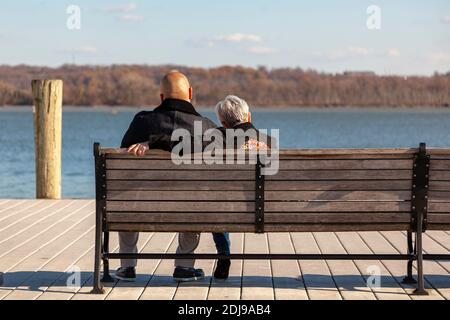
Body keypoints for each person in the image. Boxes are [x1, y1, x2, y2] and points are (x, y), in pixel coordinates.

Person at [117, 71, 231, 282]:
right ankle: (184, 267)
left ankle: (127, 265)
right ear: (189, 93)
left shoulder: (141, 121)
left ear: (161, 97)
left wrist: (153, 142)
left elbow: (123, 166)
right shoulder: (206, 127)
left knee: (128, 198)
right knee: (195, 198)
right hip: (186, 208)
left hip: (140, 206)